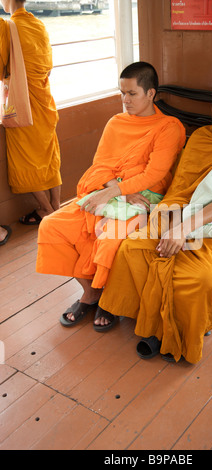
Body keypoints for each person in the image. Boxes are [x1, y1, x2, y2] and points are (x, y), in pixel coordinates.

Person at [97, 75, 212, 365]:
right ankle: (154, 323)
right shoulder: (201, 138)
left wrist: (183, 229)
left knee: (200, 277)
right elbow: (180, 189)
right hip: (176, 212)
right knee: (131, 250)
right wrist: (171, 222)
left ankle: (172, 333)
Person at [36, 61, 186, 330]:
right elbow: (101, 163)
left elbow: (155, 174)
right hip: (111, 192)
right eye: (122, 93)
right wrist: (112, 190)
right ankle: (91, 292)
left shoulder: (168, 127)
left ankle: (110, 301)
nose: (125, 100)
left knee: (110, 240)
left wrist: (119, 192)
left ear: (150, 93)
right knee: (52, 226)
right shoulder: (116, 122)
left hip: (143, 197)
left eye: (132, 94)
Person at [0, 0, 61, 225]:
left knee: (26, 159)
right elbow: (47, 65)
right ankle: (56, 203)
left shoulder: (7, 27)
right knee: (49, 154)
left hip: (23, 105)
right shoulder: (38, 25)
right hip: (44, 100)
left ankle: (46, 210)